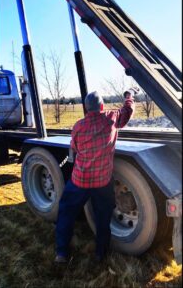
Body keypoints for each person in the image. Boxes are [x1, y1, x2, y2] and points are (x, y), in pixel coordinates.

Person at [55, 90, 135, 263]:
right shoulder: (111, 118)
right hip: (102, 182)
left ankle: (61, 253)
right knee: (103, 217)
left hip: (79, 180)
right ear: (101, 106)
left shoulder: (78, 126)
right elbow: (128, 111)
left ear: (86, 108)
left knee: (66, 213)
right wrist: (129, 96)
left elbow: (74, 149)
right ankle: (100, 254)